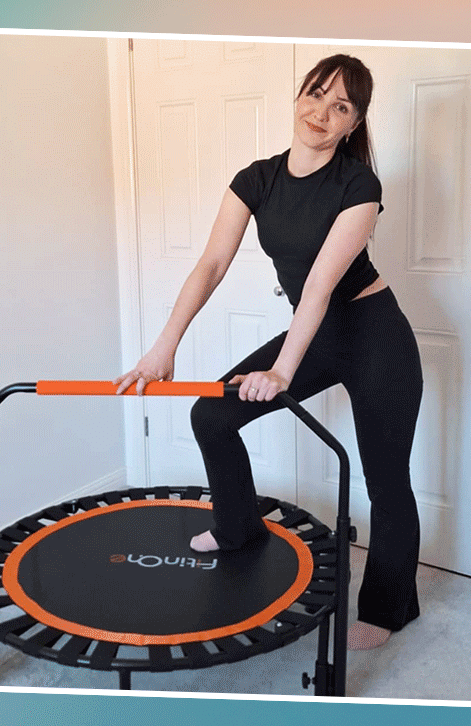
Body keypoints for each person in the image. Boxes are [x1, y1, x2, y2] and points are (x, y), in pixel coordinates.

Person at [115, 54, 423, 651]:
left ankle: (387, 610)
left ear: (353, 124)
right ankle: (237, 530)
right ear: (298, 96)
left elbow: (319, 287)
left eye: (341, 107)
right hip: (322, 330)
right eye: (317, 95)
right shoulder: (256, 178)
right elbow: (209, 266)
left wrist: (283, 370)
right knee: (212, 412)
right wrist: (162, 349)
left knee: (385, 478)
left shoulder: (360, 184)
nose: (322, 113)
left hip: (375, 332)